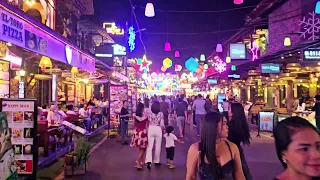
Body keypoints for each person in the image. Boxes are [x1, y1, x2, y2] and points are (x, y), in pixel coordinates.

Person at [186, 112, 245, 180]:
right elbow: (191, 177)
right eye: (223, 124)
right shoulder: (196, 149)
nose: (227, 127)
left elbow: (239, 176)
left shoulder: (232, 147)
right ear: (213, 126)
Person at [228, 103, 253, 180]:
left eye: (229, 109)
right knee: (243, 170)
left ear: (233, 112)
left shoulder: (230, 125)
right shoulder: (241, 124)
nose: (228, 111)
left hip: (230, 152)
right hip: (238, 150)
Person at [145, 101, 165, 170]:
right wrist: (163, 130)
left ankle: (148, 161)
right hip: (158, 128)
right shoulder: (161, 113)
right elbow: (162, 124)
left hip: (151, 128)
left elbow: (147, 121)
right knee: (158, 146)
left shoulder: (149, 113)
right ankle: (157, 161)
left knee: (149, 146)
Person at [131, 102, 149, 170]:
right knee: (143, 148)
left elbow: (133, 125)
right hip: (143, 132)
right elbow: (146, 125)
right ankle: (138, 161)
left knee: (140, 147)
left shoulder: (135, 115)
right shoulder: (145, 116)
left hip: (137, 132)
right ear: (142, 108)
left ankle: (142, 161)